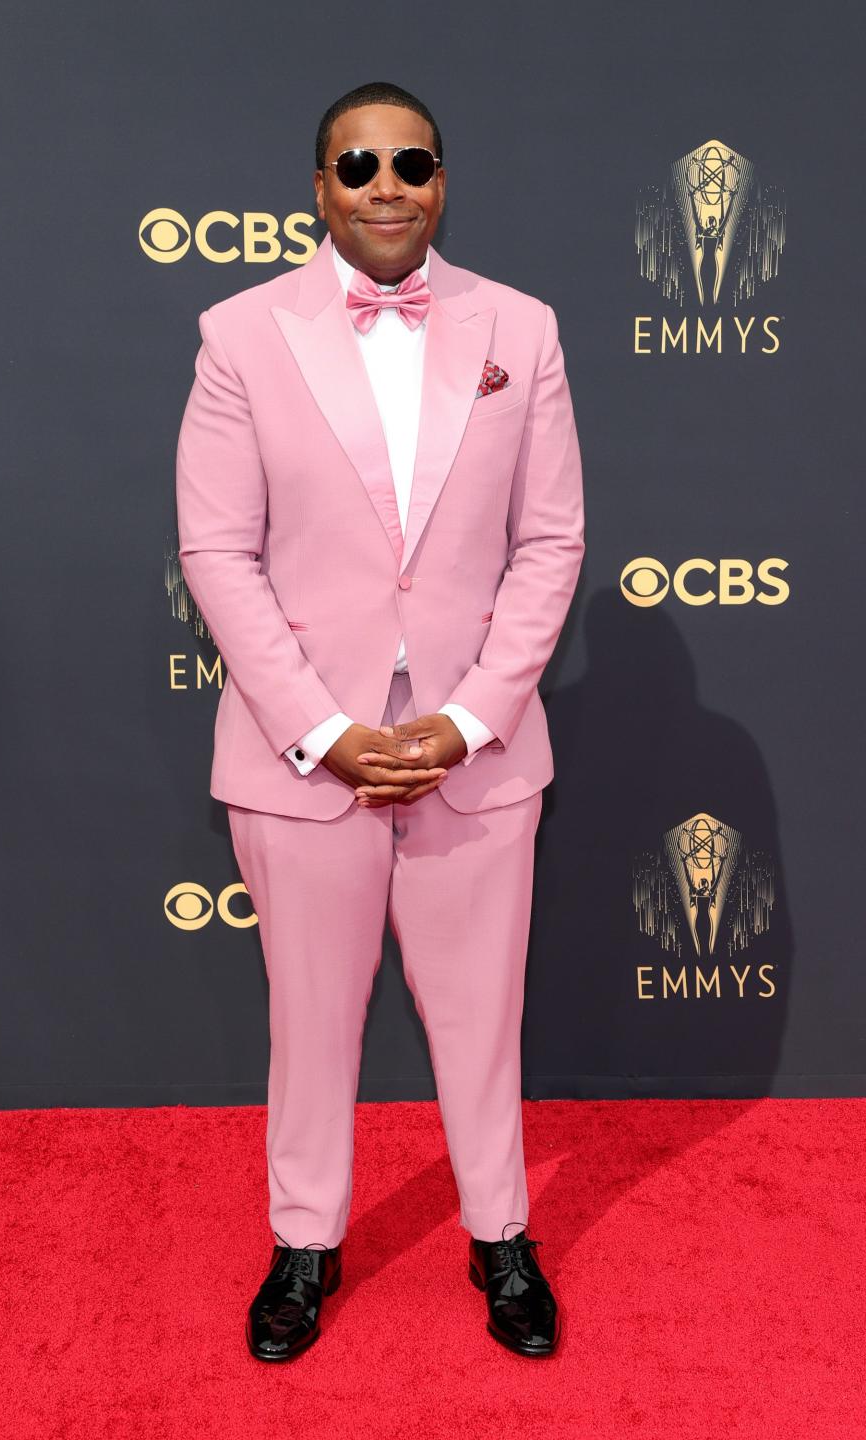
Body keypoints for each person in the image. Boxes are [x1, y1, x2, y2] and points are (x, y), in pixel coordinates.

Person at [175, 80, 585, 1361]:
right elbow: (217, 550)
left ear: (444, 182)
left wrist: (467, 722)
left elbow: (551, 542)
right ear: (321, 188)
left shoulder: (522, 326)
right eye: (359, 165)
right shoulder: (240, 333)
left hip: (478, 756)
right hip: (302, 764)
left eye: (413, 161)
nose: (388, 183)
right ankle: (305, 1241)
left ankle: (500, 1234)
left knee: (482, 1017)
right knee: (308, 1021)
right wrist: (321, 728)